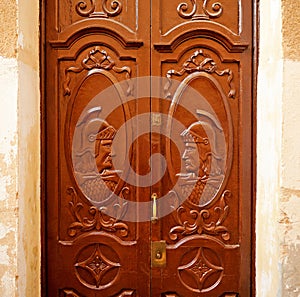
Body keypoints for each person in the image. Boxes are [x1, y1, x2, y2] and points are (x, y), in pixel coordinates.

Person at [177, 118, 224, 206]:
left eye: (190, 149)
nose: (184, 156)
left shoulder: (218, 184)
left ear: (205, 149)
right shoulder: (182, 183)